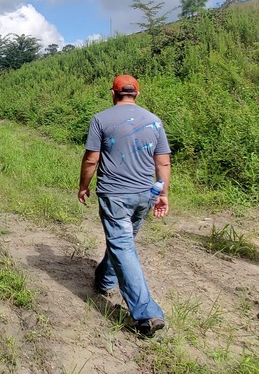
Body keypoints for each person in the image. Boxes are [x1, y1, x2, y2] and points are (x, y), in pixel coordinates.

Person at [78, 74, 171, 337]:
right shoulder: (154, 120)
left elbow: (91, 160)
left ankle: (146, 313)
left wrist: (83, 186)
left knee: (122, 244)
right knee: (124, 242)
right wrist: (163, 193)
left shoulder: (101, 119)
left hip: (115, 194)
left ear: (113, 93)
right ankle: (105, 279)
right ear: (137, 94)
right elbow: (162, 162)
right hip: (145, 194)